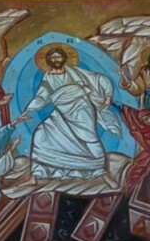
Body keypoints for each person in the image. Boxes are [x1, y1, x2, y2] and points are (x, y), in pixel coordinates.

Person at [14, 46, 119, 183]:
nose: (56, 59)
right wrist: (28, 109)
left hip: (81, 109)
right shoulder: (48, 77)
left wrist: (108, 95)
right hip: (62, 111)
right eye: (53, 58)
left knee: (88, 138)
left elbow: (98, 78)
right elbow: (42, 97)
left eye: (58, 57)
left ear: (64, 58)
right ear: (48, 60)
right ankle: (41, 172)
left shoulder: (74, 72)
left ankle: (99, 170)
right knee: (41, 134)